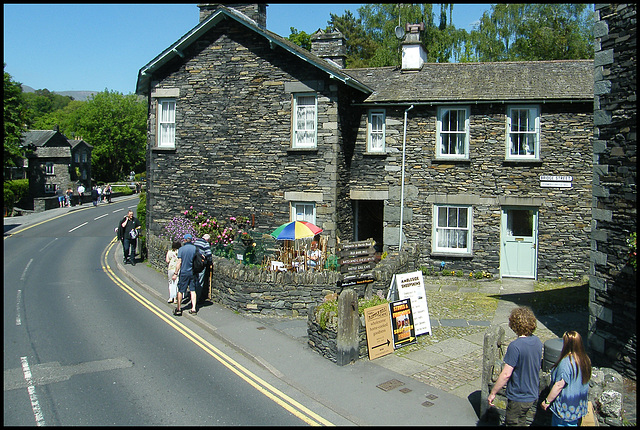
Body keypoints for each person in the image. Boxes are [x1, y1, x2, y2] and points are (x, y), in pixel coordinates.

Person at [488, 306, 543, 426]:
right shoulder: (537, 342)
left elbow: (506, 374)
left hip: (519, 396)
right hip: (532, 394)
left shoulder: (515, 346)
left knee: (512, 423)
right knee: (521, 421)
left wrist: (493, 392)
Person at [541, 331, 592, 426]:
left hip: (565, 410)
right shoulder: (585, 360)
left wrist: (547, 401)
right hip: (578, 408)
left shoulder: (566, 363)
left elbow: (559, 385)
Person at [172, 233, 198, 316]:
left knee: (181, 290)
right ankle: (193, 309)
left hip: (183, 272)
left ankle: (179, 308)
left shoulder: (181, 249)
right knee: (193, 290)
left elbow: (179, 262)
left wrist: (175, 273)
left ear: (185, 240)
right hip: (192, 272)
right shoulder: (195, 248)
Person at [193, 234, 213, 304]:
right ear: (207, 239)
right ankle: (197, 298)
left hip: (194, 264)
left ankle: (192, 295)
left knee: (195, 280)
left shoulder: (196, 242)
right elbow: (208, 254)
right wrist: (210, 263)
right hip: (201, 265)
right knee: (200, 281)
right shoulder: (206, 244)